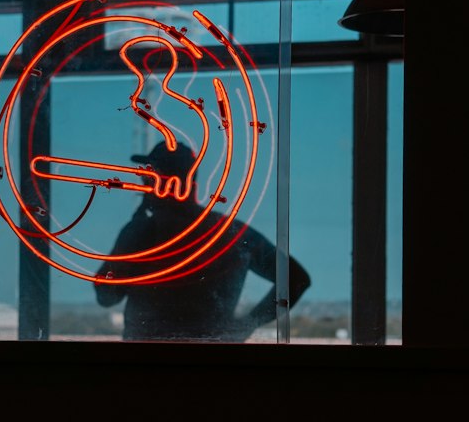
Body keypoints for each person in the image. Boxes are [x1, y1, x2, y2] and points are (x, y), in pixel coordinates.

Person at [94, 140, 310, 342]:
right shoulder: (227, 232)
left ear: (167, 182)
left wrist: (131, 235)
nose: (141, 182)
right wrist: (246, 325)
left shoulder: (142, 234)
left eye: (148, 175)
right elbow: (295, 278)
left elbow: (106, 296)